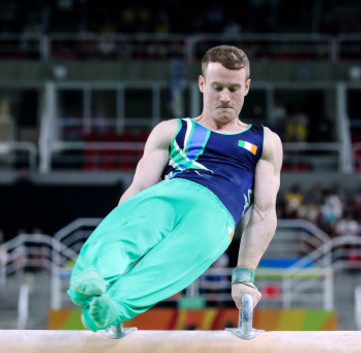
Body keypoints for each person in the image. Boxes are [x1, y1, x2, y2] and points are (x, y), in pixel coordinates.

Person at [67, 45, 283, 331]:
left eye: (233, 88)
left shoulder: (264, 140)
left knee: (168, 268)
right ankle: (94, 276)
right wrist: (122, 228)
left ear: (247, 87)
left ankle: (112, 308)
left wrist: (244, 276)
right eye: (217, 87)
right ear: (202, 84)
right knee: (131, 230)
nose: (225, 97)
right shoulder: (172, 130)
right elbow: (138, 191)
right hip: (171, 193)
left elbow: (264, 213)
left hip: (217, 217)